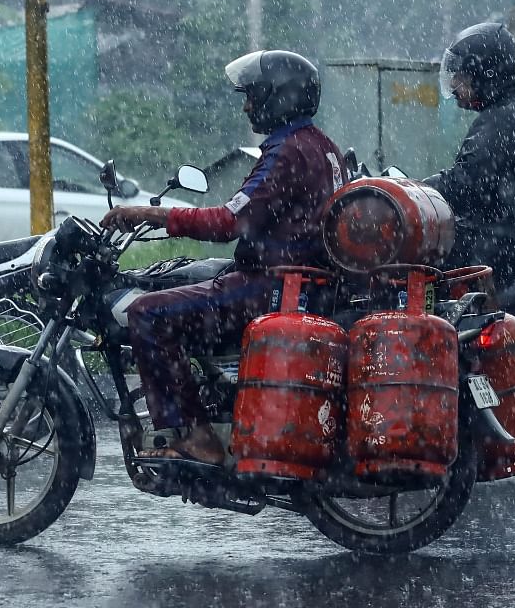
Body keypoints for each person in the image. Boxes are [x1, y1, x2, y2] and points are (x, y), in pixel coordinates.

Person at [101, 50, 347, 466]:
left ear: (279, 97)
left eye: (254, 95)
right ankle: (220, 400)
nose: (248, 105)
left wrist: (154, 214)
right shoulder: (321, 145)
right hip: (302, 285)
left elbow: (229, 221)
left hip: (272, 288)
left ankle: (194, 435)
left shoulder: (287, 152)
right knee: (188, 285)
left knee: (147, 313)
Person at [425, 22, 515, 288]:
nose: (456, 83)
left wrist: (417, 193)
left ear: (484, 74)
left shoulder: (502, 121)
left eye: (461, 75)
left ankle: (440, 322)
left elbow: (464, 188)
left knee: (429, 253)